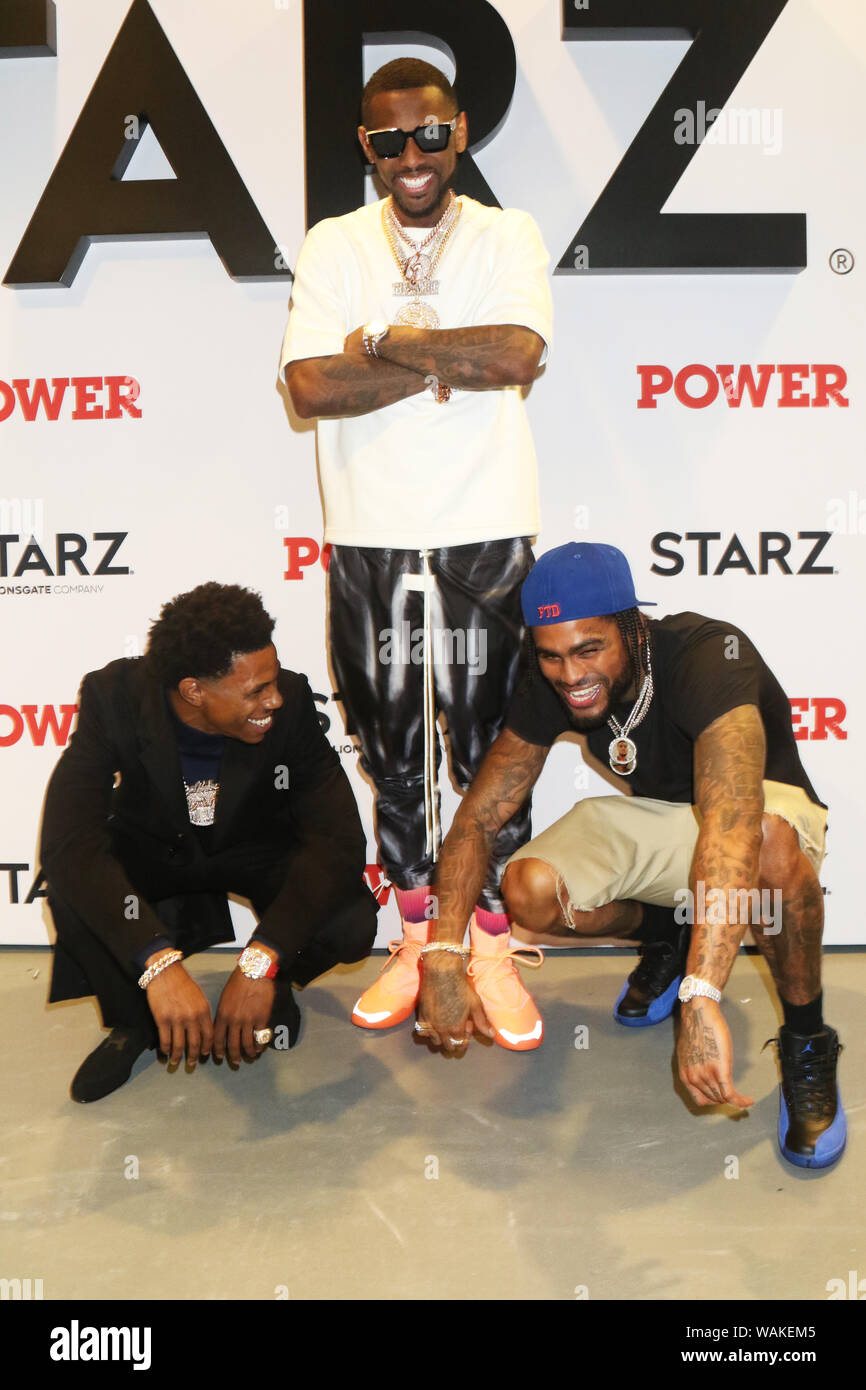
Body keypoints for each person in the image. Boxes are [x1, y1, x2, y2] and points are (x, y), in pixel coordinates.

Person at [280, 57, 553, 1048]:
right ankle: (410, 934)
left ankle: (480, 941)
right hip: (370, 533)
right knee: (393, 754)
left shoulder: (503, 232)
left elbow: (516, 355)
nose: (409, 156)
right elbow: (310, 387)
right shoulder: (333, 242)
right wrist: (442, 358)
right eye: (388, 140)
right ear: (365, 147)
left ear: (459, 132)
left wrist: (383, 342)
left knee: (491, 750)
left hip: (485, 526)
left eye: (427, 135)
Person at [417, 542, 846, 1170]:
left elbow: (731, 821)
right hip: (668, 827)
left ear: (632, 626)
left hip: (760, 813)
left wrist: (702, 996)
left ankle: (808, 1040)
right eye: (552, 656)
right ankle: (670, 936)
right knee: (529, 889)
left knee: (769, 843)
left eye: (589, 650)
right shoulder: (552, 678)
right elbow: (478, 817)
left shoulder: (708, 654)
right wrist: (444, 952)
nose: (570, 676)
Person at [41, 582, 378, 1102]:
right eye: (255, 691)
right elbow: (70, 844)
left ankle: (275, 983)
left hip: (252, 847)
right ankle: (135, 1022)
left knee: (351, 919)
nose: (276, 698)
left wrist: (262, 959)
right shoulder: (115, 698)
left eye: (272, 680)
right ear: (194, 690)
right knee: (75, 888)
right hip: (156, 849)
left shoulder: (287, 709)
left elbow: (336, 842)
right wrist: (156, 961)